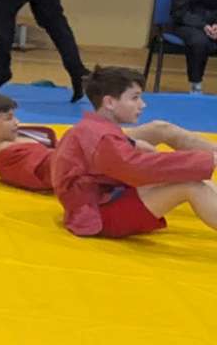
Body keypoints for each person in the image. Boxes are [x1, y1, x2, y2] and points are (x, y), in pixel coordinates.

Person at [49, 66, 217, 237]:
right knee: (191, 184)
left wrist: (132, 143)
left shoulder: (93, 128)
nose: (142, 104)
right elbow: (137, 169)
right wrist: (205, 159)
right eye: (135, 98)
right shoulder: (102, 138)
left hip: (102, 199)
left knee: (193, 174)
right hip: (99, 215)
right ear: (109, 103)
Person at [0, 90, 213, 193]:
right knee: (175, 171)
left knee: (161, 128)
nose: (17, 122)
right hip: (86, 160)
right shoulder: (7, 158)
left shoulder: (13, 138)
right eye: (9, 119)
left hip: (83, 148)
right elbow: (55, 172)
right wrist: (123, 145)